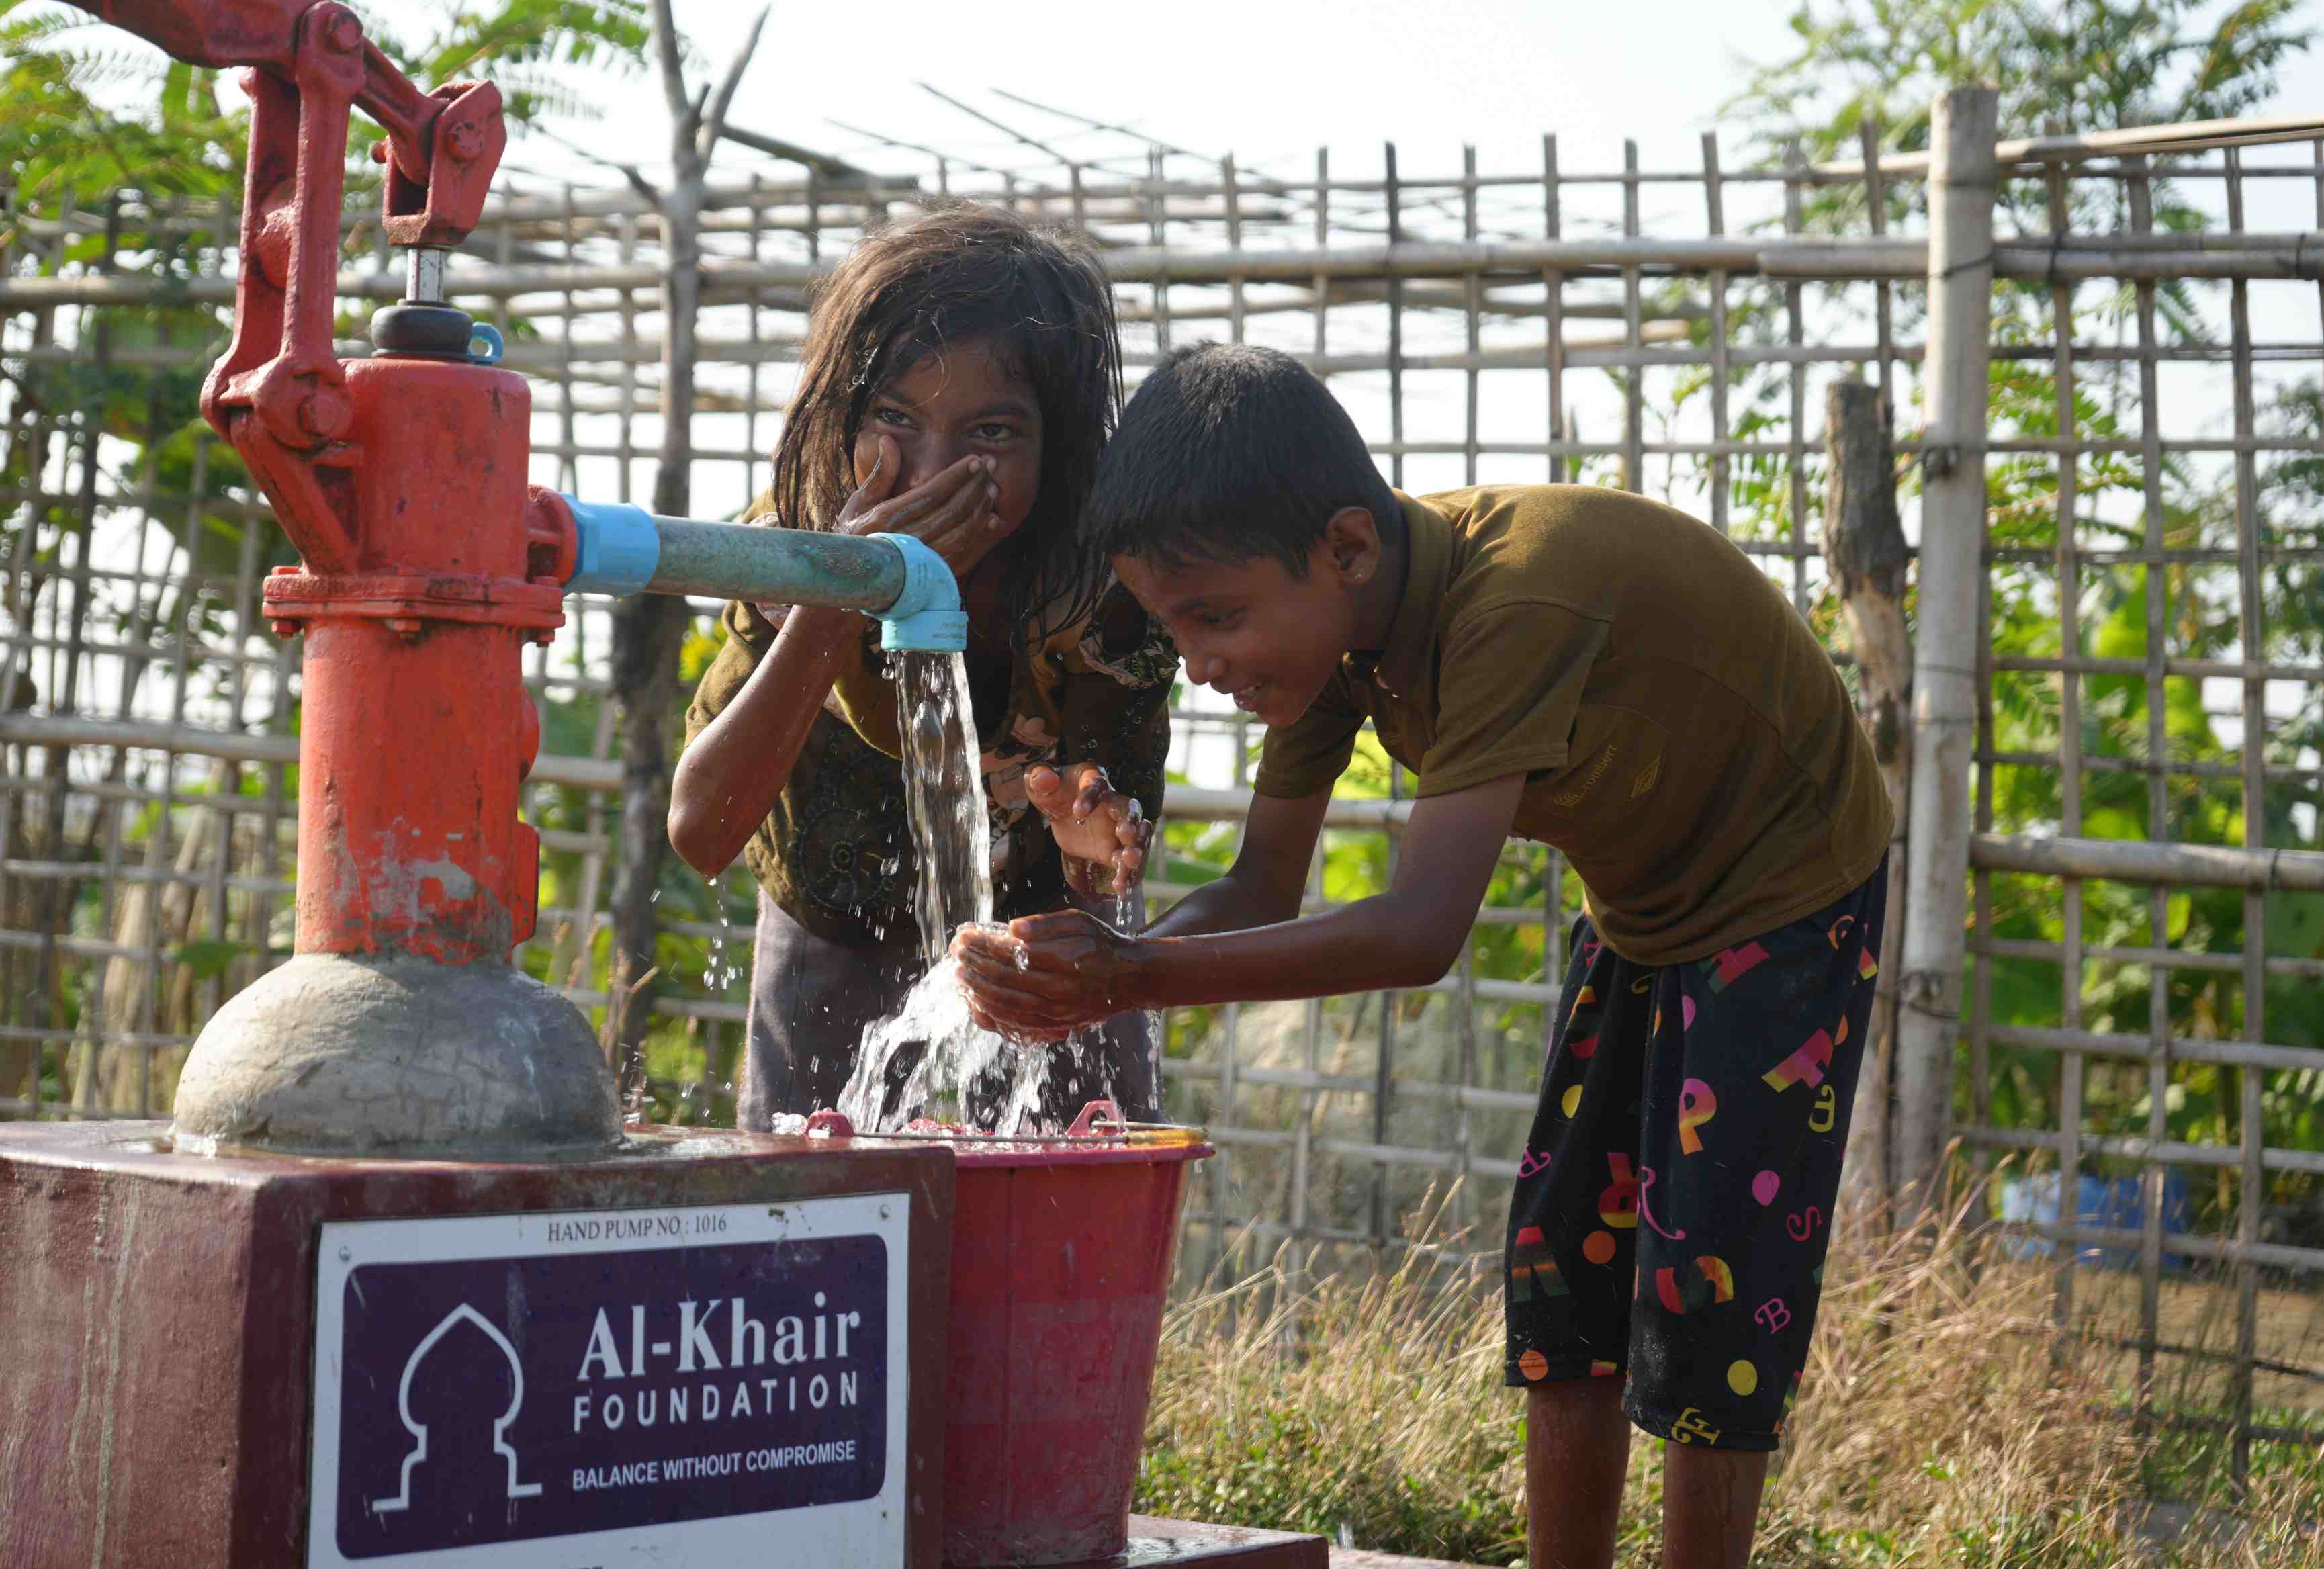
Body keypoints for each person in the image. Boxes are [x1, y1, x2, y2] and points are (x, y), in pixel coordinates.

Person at [953, 343, 1893, 1568]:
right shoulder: (1342, 638)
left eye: (1218, 618)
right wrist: (1098, 955)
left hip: (1788, 892)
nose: (1199, 665)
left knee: (1709, 1285)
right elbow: (1257, 888)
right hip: (1646, 909)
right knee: (1569, 1265)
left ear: (1346, 548)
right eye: (1176, 629)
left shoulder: (1511, 602)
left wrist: (1131, 977)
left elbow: (1418, 934)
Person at [671, 203, 1175, 1132]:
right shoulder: (792, 548)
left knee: (1070, 1184)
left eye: (991, 436)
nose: (932, 474)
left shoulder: (1104, 585)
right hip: (833, 905)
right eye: (895, 420)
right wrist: (836, 597)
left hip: (1037, 928)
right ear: (843, 420)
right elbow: (702, 831)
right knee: (813, 1195)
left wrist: (1098, 858)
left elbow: (1110, 860)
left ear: (1057, 448)